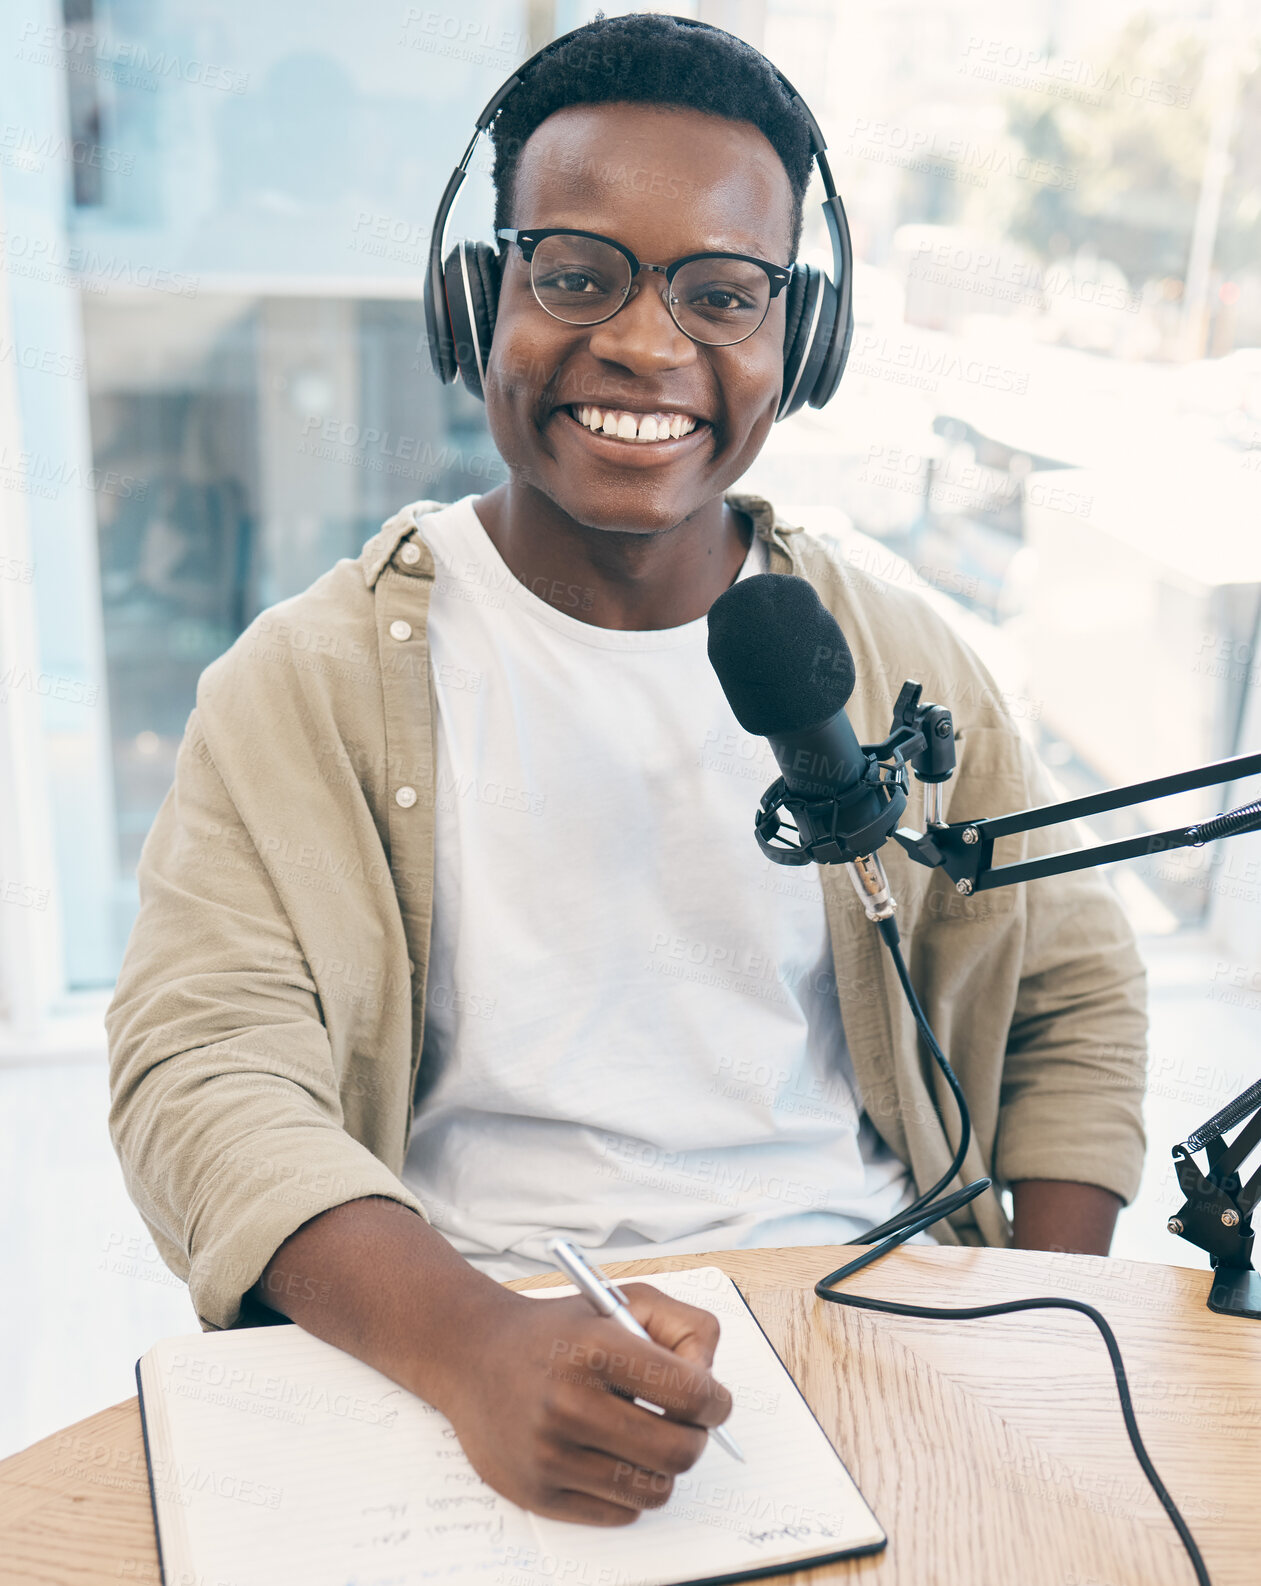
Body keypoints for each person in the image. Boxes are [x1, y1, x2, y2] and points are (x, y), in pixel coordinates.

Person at [106, 14, 1146, 1528]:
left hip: (868, 1321)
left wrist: (1029, 1327)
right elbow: (200, 1070)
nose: (648, 345)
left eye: (722, 294)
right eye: (576, 273)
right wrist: (469, 1344)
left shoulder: (904, 649)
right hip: (460, 1324)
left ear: (805, 340)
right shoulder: (309, 679)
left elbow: (1075, 996)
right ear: (477, 298)